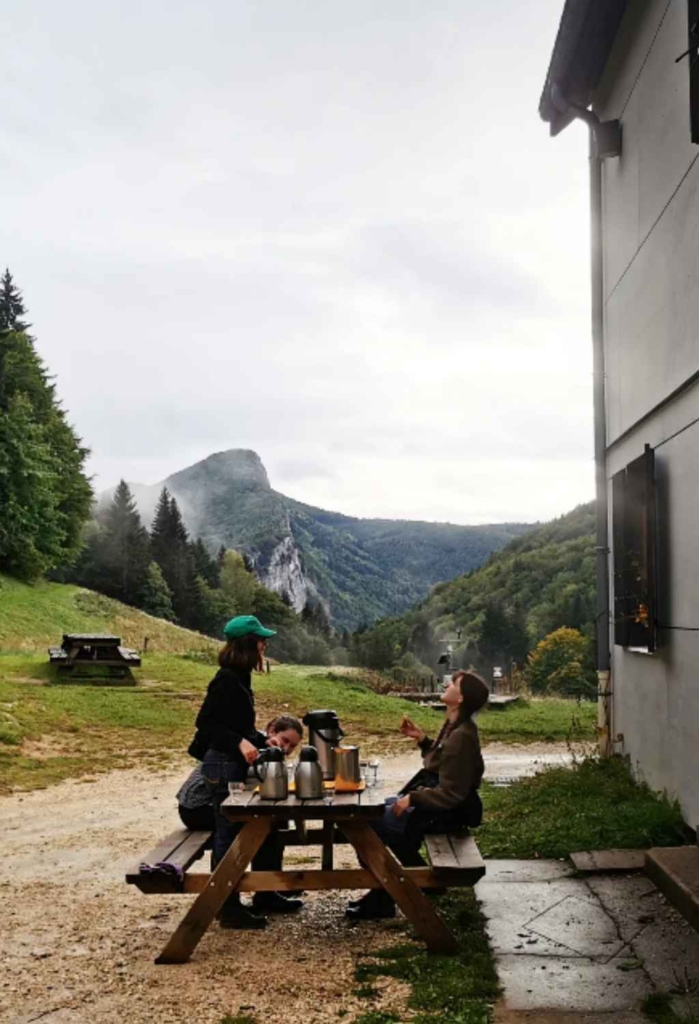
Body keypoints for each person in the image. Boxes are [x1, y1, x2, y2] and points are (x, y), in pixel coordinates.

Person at [346, 669, 489, 921]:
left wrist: (413, 798)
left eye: (454, 683)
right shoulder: (455, 726)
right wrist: (422, 739)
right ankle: (389, 890)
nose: (448, 684)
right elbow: (442, 762)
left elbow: (452, 793)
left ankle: (391, 890)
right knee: (381, 808)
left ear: (462, 698)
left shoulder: (462, 736)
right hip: (440, 807)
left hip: (446, 813)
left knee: (366, 821)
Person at [189, 614, 302, 929]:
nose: (266, 644)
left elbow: (236, 724)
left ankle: (265, 893)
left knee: (262, 825)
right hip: (222, 766)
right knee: (229, 833)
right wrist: (240, 741)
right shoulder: (226, 678)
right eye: (261, 639)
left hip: (230, 762)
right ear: (248, 643)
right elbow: (207, 725)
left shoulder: (239, 676)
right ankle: (226, 906)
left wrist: (258, 739)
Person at [177, 714, 304, 831]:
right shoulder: (252, 746)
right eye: (285, 740)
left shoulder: (267, 749)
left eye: (293, 746)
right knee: (266, 820)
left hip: (206, 805)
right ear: (272, 730)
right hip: (196, 808)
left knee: (272, 819)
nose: (287, 749)